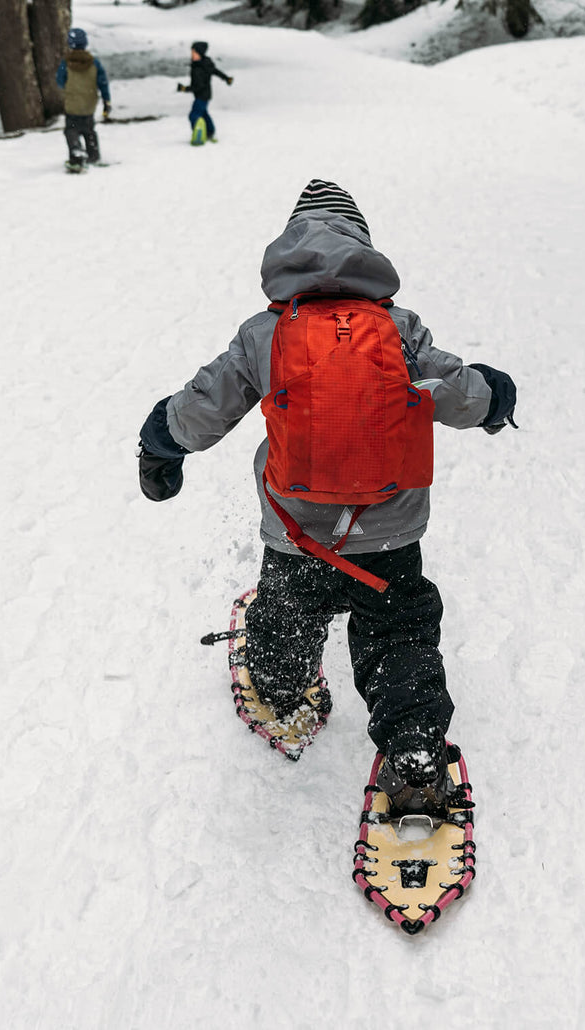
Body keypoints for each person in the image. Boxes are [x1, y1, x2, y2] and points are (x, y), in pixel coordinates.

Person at [137, 179, 517, 813]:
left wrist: (160, 445)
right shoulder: (398, 328)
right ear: (364, 250)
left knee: (286, 619)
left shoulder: (264, 335)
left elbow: (205, 406)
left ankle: (281, 688)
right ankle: (414, 749)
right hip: (391, 533)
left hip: (298, 532)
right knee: (399, 637)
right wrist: (496, 396)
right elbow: (457, 392)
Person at [56, 27, 111, 169]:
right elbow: (103, 83)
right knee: (89, 130)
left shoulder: (65, 63)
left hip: (72, 104)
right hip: (89, 104)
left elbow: (60, 81)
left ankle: (76, 152)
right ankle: (93, 154)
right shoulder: (94, 63)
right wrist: (107, 100)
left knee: (71, 130)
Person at [176, 40, 232, 145]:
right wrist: (226, 78)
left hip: (201, 95)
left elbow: (198, 86)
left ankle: (199, 133)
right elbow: (216, 71)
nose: (192, 55)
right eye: (192, 52)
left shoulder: (199, 68)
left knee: (194, 115)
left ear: (200, 53)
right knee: (204, 113)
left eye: (194, 53)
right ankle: (210, 132)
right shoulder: (204, 64)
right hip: (206, 95)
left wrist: (184, 89)